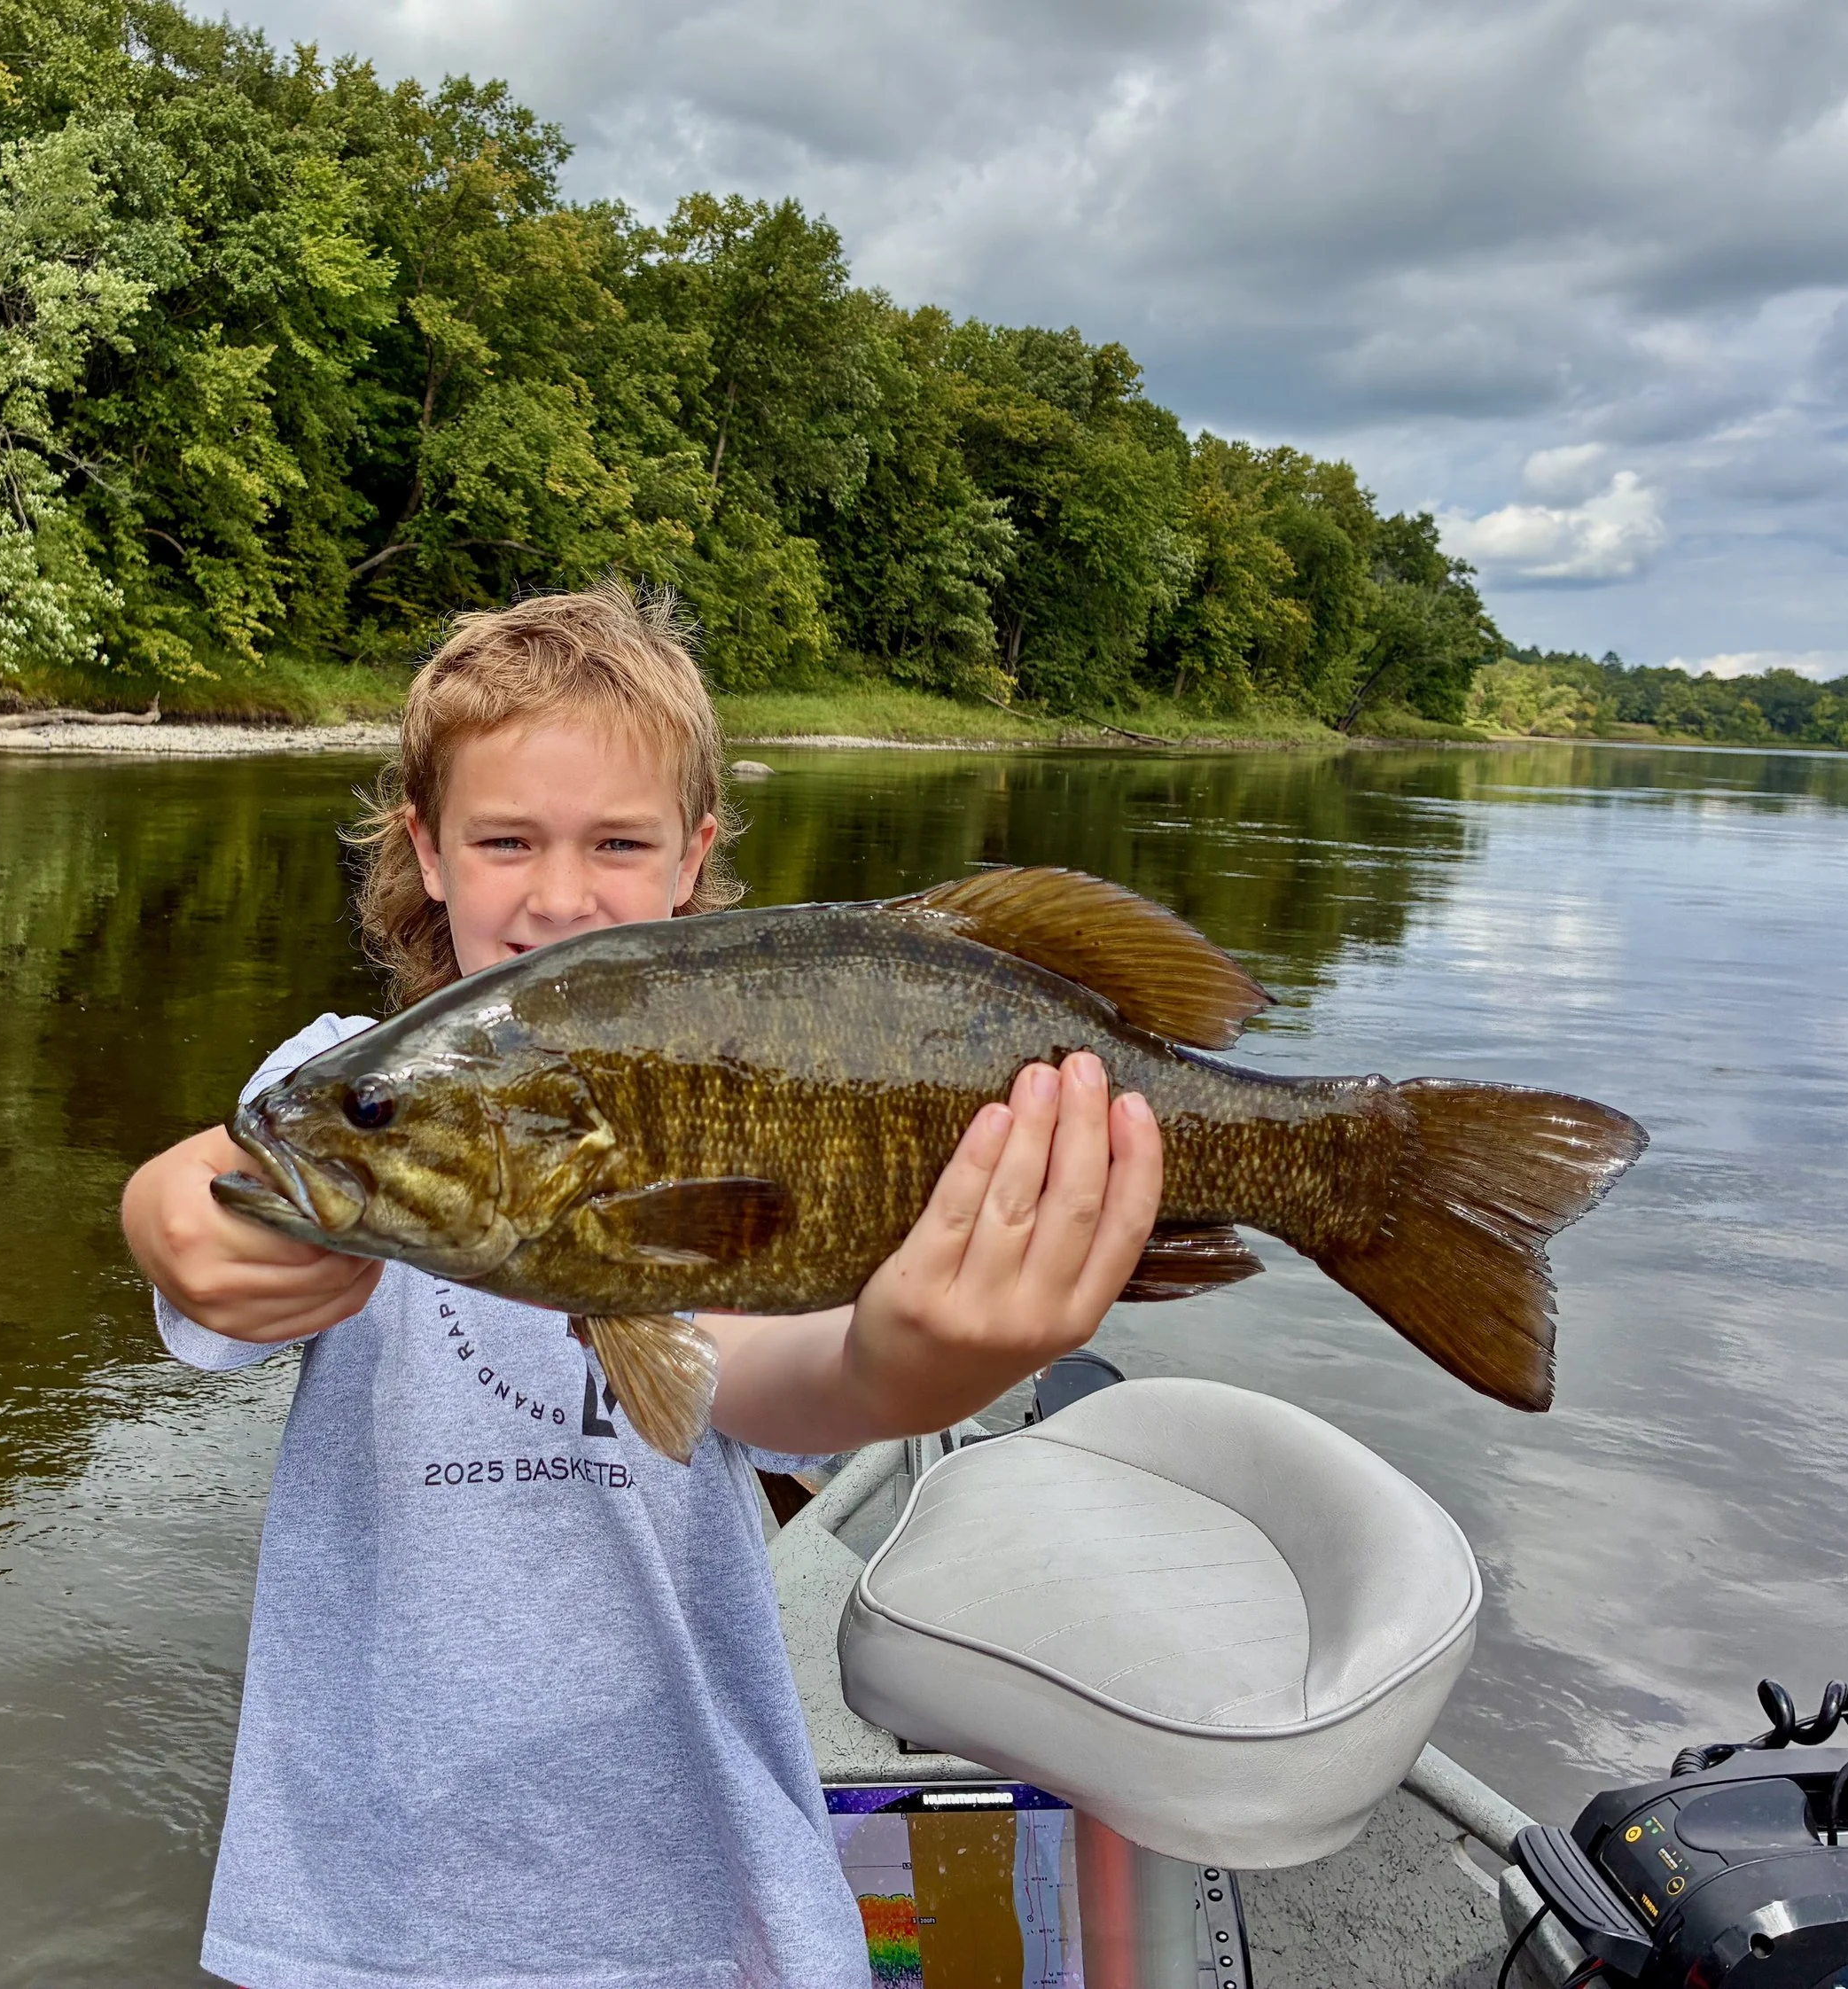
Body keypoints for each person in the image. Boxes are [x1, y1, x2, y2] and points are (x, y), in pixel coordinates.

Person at [120, 582, 1163, 1989]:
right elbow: (230, 1168)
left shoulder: (734, 1081)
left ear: (694, 857)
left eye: (619, 842)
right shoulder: (355, 1085)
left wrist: (923, 1368)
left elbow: (774, 1375)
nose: (560, 895)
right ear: (426, 852)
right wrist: (157, 1210)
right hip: (356, 1915)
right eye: (505, 841)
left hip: (699, 1905)